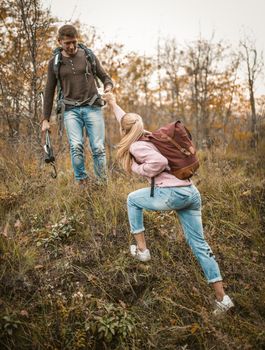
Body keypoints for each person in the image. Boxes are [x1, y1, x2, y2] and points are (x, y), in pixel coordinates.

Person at [103, 92, 234, 315]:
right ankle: (223, 299)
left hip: (174, 194)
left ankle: (142, 250)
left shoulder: (136, 146)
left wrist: (138, 169)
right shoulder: (146, 134)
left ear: (124, 130)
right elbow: (125, 119)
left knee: (132, 199)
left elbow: (159, 162)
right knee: (200, 246)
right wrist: (113, 103)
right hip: (191, 193)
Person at [41, 24, 113, 185]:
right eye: (67, 43)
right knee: (76, 146)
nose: (72, 46)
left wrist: (107, 88)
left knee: (98, 148)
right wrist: (45, 119)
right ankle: (82, 182)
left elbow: (105, 77)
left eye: (74, 42)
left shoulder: (88, 55)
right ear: (59, 41)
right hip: (70, 110)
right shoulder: (55, 62)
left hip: (93, 107)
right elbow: (49, 90)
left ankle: (102, 184)